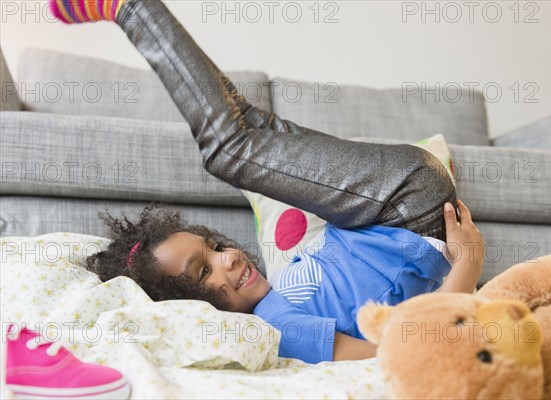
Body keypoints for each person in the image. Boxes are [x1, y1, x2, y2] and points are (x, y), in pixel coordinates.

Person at [52, 0, 484, 364]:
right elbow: (388, 355)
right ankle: (132, 9)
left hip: (388, 205)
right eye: (203, 270)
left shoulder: (279, 295)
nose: (229, 258)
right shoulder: (275, 328)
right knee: (228, 150)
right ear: (190, 307)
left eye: (216, 248)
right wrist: (466, 267)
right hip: (409, 210)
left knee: (249, 128)